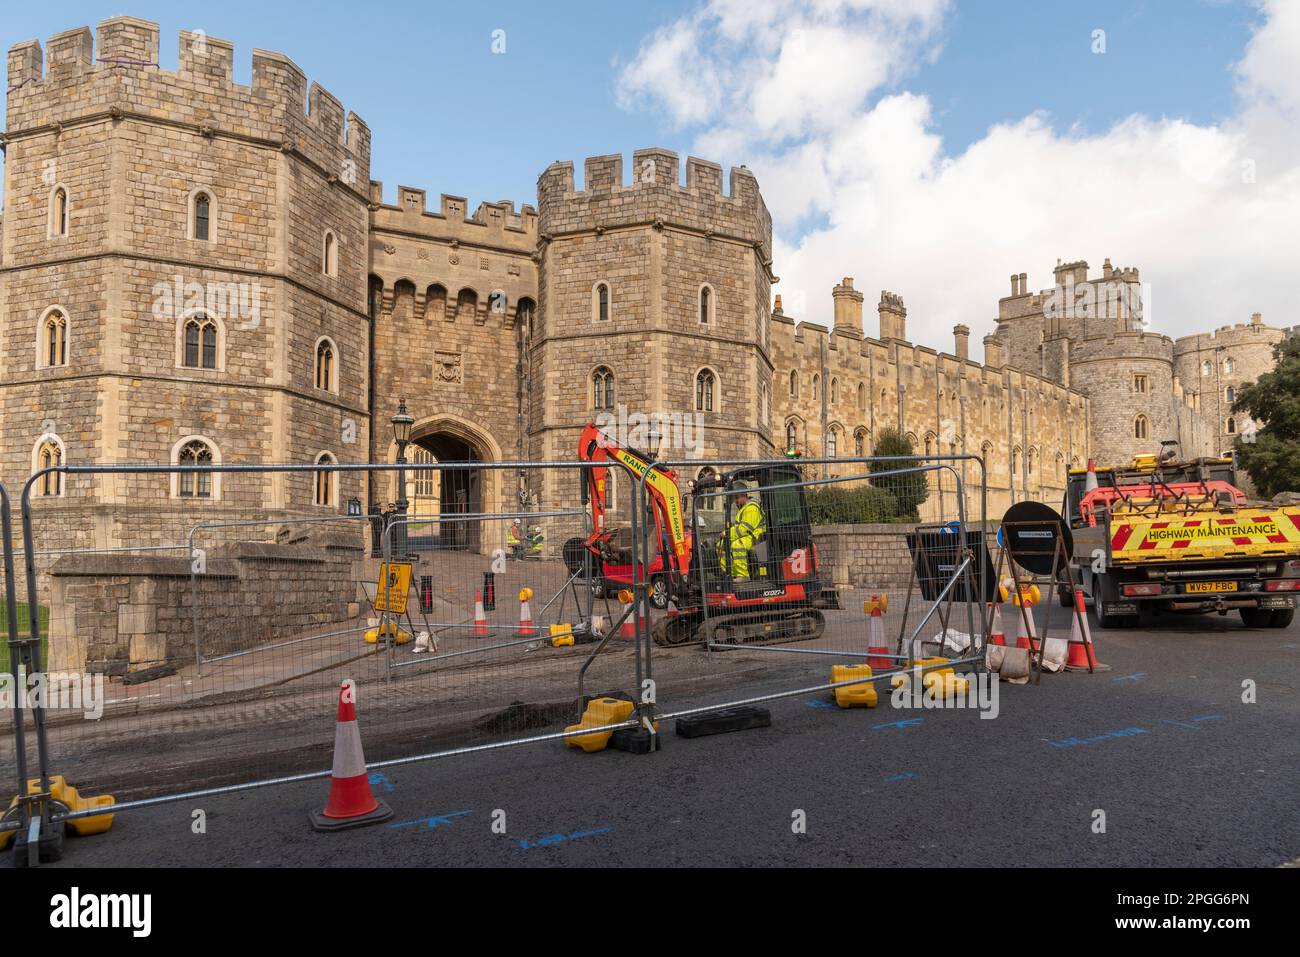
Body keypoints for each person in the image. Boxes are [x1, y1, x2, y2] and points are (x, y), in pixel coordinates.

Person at [718, 481, 766, 581]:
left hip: (756, 538)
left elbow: (744, 529)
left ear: (744, 495)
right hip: (748, 536)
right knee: (721, 544)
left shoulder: (752, 508)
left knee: (737, 545)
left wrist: (727, 534)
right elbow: (738, 527)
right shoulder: (744, 508)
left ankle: (743, 575)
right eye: (734, 498)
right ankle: (729, 573)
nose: (735, 501)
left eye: (737, 498)